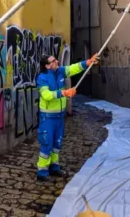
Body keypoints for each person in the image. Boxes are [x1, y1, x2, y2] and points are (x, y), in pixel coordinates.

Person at [35, 53, 100, 182]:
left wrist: (88, 62)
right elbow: (46, 95)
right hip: (47, 118)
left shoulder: (60, 71)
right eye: (53, 61)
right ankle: (42, 172)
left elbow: (72, 68)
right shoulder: (42, 78)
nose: (57, 62)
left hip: (59, 117)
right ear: (47, 66)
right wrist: (64, 92)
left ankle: (54, 167)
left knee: (57, 144)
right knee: (47, 144)